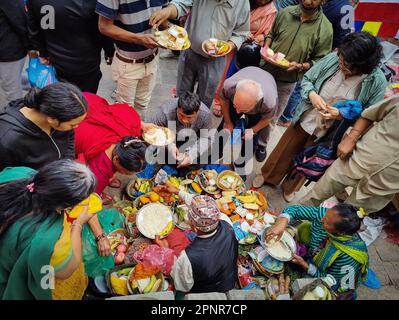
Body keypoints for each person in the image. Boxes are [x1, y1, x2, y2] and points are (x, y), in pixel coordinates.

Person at [255, 32, 387, 201]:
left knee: (311, 158)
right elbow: (308, 79)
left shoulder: (376, 81)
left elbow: (369, 114)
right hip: (308, 116)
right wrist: (312, 95)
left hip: (331, 130)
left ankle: (290, 187)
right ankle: (269, 176)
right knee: (285, 149)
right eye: (341, 59)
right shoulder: (333, 59)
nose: (342, 65)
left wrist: (341, 115)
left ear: (362, 67)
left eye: (347, 65)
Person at [0, 160, 99, 300]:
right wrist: (78, 225)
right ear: (61, 207)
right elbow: (66, 270)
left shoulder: (19, 173)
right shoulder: (49, 239)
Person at [300, 94, 399, 215]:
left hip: (382, 188)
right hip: (355, 160)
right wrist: (351, 137)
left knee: (343, 221)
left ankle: (314, 232)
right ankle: (286, 224)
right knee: (312, 198)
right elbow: (369, 115)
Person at [150, 0, 250, 109]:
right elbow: (181, 3)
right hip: (189, 51)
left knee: (204, 101)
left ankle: (198, 124)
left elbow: (241, 33)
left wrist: (226, 47)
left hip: (215, 61)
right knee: (181, 96)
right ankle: (177, 123)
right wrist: (167, 11)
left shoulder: (242, 3)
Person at [275, 0, 353, 126]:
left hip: (321, 52)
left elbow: (345, 37)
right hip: (299, 47)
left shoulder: (345, 8)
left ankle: (286, 117)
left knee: (301, 83)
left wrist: (331, 56)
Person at [266, 204, 368, 297]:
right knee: (304, 228)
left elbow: (332, 283)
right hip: (315, 252)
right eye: (326, 215)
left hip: (330, 277)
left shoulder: (347, 258)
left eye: (327, 222)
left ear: (340, 232)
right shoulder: (327, 215)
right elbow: (295, 210)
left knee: (306, 290)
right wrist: (281, 223)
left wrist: (305, 265)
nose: (322, 219)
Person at [260, 0, 333, 131]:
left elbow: (320, 60)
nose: (307, 1)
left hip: (287, 79)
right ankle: (246, 139)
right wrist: (266, 46)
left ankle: (261, 145)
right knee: (254, 106)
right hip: (265, 70)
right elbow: (271, 34)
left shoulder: (326, 28)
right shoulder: (285, 12)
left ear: (323, 1)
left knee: (272, 117)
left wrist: (301, 66)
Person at [156, 186, 238, 294]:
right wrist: (177, 191)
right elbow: (202, 206)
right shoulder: (225, 221)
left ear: (194, 228)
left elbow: (182, 286)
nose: (188, 220)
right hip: (230, 279)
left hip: (209, 292)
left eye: (189, 219)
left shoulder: (188, 256)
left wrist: (166, 250)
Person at [96, 0, 168, 118]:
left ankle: (136, 133)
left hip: (152, 60)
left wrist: (171, 31)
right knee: (124, 111)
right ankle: (127, 136)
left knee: (142, 105)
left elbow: (163, 16)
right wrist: (138, 39)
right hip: (128, 63)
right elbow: (104, 26)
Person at [27, 0, 115, 94]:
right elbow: (103, 30)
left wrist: (43, 52)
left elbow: (34, 30)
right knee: (86, 100)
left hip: (56, 60)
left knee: (60, 98)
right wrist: (109, 51)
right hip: (85, 64)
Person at [74, 93, 152, 197]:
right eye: (125, 172)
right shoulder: (99, 169)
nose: (126, 175)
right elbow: (92, 195)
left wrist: (143, 125)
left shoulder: (128, 131)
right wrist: (99, 194)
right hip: (77, 114)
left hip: (91, 104)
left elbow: (129, 113)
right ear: (116, 160)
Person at [0, 83, 88, 170]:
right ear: (52, 119)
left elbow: (69, 140)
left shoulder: (54, 113)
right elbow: (7, 178)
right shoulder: (7, 141)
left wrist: (67, 165)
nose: (76, 127)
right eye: (72, 125)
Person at [212, 0, 277, 117]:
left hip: (249, 52)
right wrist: (243, 33)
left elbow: (268, 33)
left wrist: (258, 37)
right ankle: (219, 99)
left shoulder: (271, 10)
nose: (263, 1)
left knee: (242, 78)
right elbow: (229, 22)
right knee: (225, 73)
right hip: (232, 43)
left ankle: (238, 104)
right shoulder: (241, 3)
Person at [218, 67, 279, 163]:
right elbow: (223, 100)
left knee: (250, 139)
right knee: (225, 128)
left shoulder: (268, 102)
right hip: (248, 77)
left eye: (243, 110)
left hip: (258, 108)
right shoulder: (229, 86)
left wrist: (253, 130)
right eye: (235, 106)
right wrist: (228, 122)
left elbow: (268, 118)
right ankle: (218, 150)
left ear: (256, 103)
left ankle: (241, 164)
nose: (238, 112)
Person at [146, 92, 213, 169]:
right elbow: (150, 130)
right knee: (161, 158)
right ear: (177, 108)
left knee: (197, 162)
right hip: (168, 134)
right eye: (181, 115)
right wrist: (170, 145)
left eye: (189, 118)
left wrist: (191, 156)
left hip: (192, 137)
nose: (184, 120)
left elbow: (206, 138)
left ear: (198, 112)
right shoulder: (165, 111)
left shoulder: (205, 115)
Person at [0, 1, 29, 106]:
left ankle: (17, 117)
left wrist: (31, 46)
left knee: (11, 89)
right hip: (7, 49)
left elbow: (20, 22)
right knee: (11, 81)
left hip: (8, 51)